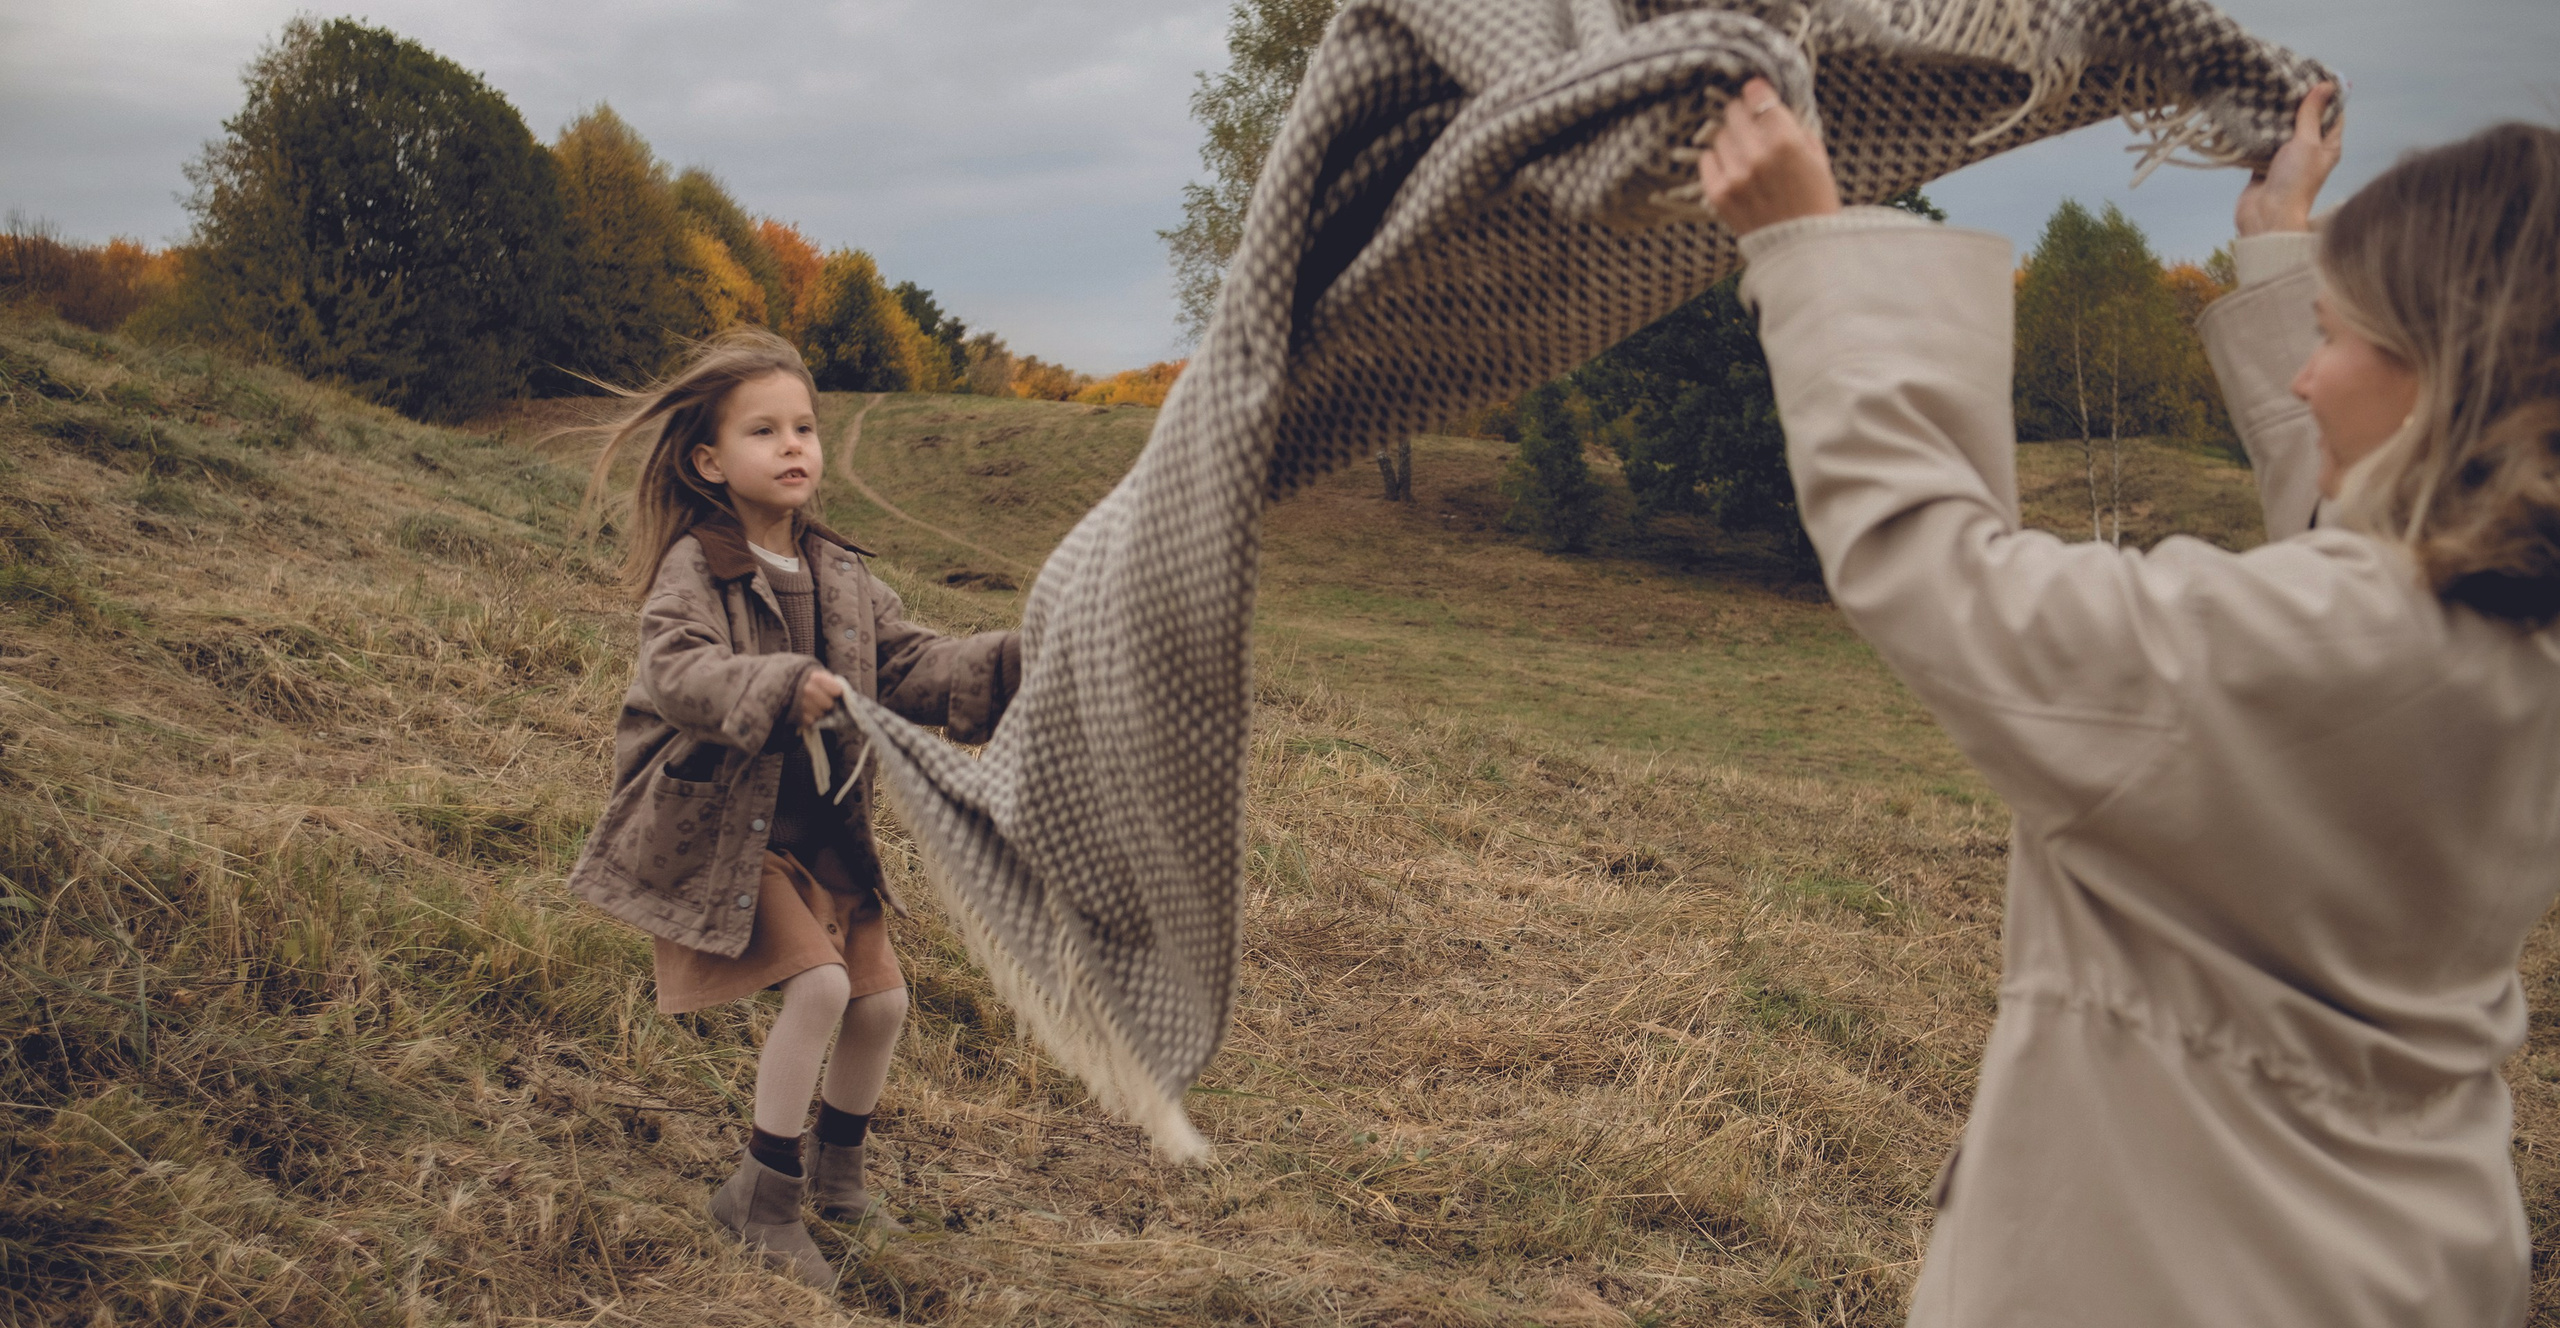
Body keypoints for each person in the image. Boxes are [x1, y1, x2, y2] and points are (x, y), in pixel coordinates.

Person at [1697, 76, 2560, 1326]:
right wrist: (2278, 242)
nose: (2305, 380)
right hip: (2407, 1255)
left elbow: (1933, 570)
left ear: (2447, 376)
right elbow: (2360, 561)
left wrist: (1811, 244)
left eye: (2333, 334)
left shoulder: (2320, 649)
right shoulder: (2509, 629)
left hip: (2188, 1275)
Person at [566, 328, 1020, 1291]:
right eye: (764, 430)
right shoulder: (696, 566)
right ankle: (761, 1197)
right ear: (708, 460)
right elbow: (678, 671)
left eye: (805, 427)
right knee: (817, 991)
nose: (793, 446)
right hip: (731, 832)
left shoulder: (842, 572)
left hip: (824, 832)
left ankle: (837, 1174)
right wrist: (777, 682)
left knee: (882, 1002)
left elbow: (911, 663)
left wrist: (1016, 660)